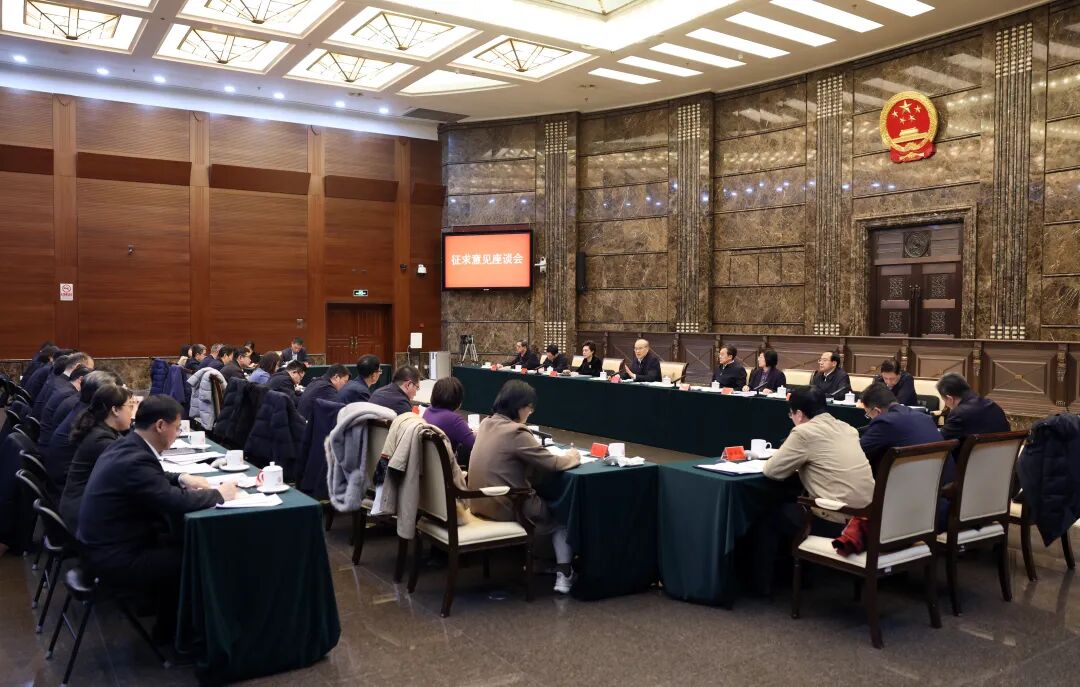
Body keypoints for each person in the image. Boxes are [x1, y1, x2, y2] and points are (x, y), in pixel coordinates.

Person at [77, 396, 238, 641]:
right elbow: (174, 502)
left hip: (101, 546)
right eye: (177, 427)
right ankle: (181, 635)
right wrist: (219, 495)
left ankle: (168, 623)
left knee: (176, 540)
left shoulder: (128, 445)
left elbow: (153, 476)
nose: (178, 433)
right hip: (115, 558)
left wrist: (181, 477)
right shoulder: (134, 457)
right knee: (199, 557)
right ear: (160, 426)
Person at [468, 380, 581, 593]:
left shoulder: (486, 424)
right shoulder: (516, 432)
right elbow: (553, 463)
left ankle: (538, 561)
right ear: (519, 407)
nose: (530, 413)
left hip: (479, 502)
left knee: (541, 501)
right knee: (562, 514)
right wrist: (572, 456)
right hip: (506, 505)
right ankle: (564, 575)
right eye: (529, 408)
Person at [763, 388, 875, 513]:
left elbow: (772, 471)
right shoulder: (848, 428)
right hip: (870, 512)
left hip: (839, 512)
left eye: (791, 414)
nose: (791, 418)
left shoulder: (804, 432)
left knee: (770, 512)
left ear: (799, 414)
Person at [936, 373, 1010, 528]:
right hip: (1000, 480)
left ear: (949, 398)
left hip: (969, 482)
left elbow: (938, 442)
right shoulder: (994, 406)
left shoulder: (959, 414)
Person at [58, 384, 134, 530]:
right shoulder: (101, 440)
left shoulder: (100, 428)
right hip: (84, 516)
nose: (132, 412)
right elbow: (136, 468)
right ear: (115, 410)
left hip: (83, 505)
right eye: (130, 406)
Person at [43, 370, 123, 487]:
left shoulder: (82, 407)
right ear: (101, 395)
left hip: (62, 475)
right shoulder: (89, 420)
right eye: (113, 393)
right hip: (66, 482)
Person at [858, 382, 942, 474]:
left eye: (868, 414)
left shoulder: (885, 422)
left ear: (877, 411)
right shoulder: (925, 417)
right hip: (939, 477)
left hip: (908, 480)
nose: (870, 418)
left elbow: (858, 451)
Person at [423, 377, 475, 466]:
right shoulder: (454, 420)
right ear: (458, 399)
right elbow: (474, 445)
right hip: (448, 468)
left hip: (430, 467)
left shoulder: (427, 411)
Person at [38, 364, 92, 448]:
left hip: (47, 438)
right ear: (81, 380)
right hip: (49, 444)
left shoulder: (66, 389)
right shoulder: (70, 396)